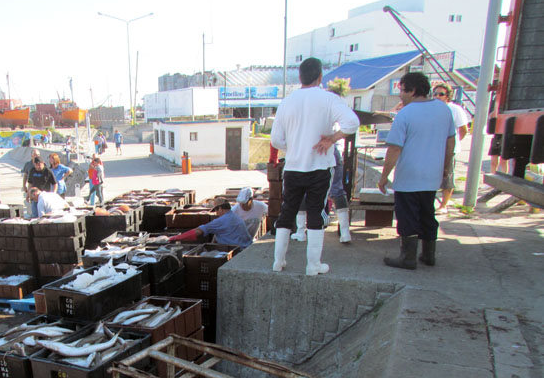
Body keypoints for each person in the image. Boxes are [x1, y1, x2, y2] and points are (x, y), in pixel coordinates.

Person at [270, 57, 360, 275]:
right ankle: (313, 265)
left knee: (287, 212)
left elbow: (276, 140)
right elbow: (353, 123)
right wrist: (332, 138)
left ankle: (278, 262)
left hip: (292, 167)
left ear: (299, 77)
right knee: (315, 213)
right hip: (320, 167)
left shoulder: (287, 102)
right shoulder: (329, 99)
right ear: (320, 77)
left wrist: (293, 147)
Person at [378, 71, 455, 270]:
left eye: (402, 90)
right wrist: (445, 168)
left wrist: (384, 176)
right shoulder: (443, 110)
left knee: (408, 216)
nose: (400, 95)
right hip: (432, 175)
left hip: (409, 176)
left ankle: (408, 257)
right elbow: (450, 142)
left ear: (412, 91)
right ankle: (429, 254)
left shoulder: (406, 113)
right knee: (428, 213)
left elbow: (394, 148)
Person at [432, 83, 469, 211]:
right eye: (435, 94)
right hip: (433, 149)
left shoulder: (455, 109)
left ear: (448, 96)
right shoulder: (431, 109)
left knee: (447, 177)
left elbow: (463, 129)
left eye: (441, 94)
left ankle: (444, 205)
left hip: (449, 150)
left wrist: (454, 143)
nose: (437, 96)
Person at [169, 202, 252, 249]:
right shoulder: (235, 216)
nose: (216, 213)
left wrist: (177, 238)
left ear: (221, 209)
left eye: (216, 210)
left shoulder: (220, 221)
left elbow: (198, 231)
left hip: (236, 251)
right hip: (247, 247)